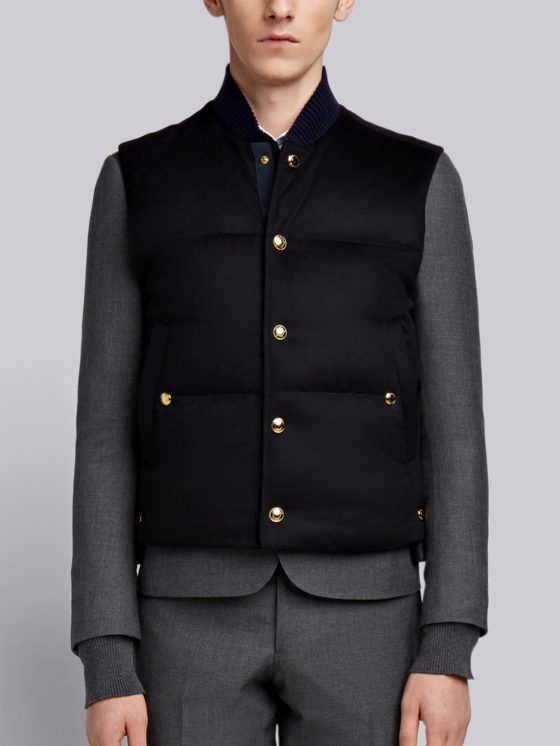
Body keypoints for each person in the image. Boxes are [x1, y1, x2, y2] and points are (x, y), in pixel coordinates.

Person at [70, 1, 489, 744]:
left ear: (345, 1)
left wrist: (448, 645)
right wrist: (107, 658)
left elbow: (455, 429)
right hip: (186, 614)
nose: (281, 8)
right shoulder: (139, 180)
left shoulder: (416, 180)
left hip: (369, 618)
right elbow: (104, 429)